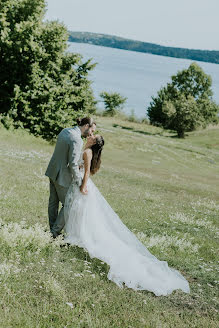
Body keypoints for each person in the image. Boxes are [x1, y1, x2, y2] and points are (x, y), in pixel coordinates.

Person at [64, 135, 190, 296]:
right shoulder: (87, 149)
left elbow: (87, 171)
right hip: (82, 183)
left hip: (84, 185)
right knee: (82, 214)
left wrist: (82, 187)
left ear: (94, 142)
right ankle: (77, 236)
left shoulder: (87, 152)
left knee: (85, 215)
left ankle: (82, 238)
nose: (90, 136)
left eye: (93, 136)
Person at [45, 117, 96, 238]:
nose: (91, 134)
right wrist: (80, 182)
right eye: (91, 130)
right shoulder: (77, 139)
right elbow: (73, 163)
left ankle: (52, 231)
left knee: (53, 202)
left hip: (52, 170)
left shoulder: (65, 131)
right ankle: (54, 232)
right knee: (69, 204)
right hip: (62, 176)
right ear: (86, 126)